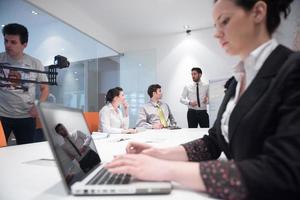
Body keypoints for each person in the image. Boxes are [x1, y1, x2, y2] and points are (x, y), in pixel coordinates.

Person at [106, 0, 300, 199]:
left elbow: (283, 173)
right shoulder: (238, 80)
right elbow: (214, 142)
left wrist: (166, 169)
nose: (217, 33)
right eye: (216, 25)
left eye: (224, 21)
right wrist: (160, 154)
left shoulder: (292, 69)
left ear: (258, 12)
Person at [0, 23, 49, 144]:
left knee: (26, 152)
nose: (7, 45)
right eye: (6, 41)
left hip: (26, 116)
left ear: (24, 44)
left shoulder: (35, 63)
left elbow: (45, 88)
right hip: (1, 115)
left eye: (13, 42)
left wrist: (38, 106)